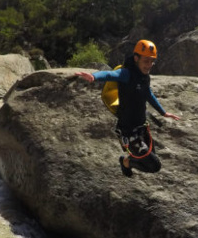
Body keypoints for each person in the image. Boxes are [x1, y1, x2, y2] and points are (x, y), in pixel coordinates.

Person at [75, 39, 181, 176]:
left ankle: (128, 161)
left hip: (141, 126)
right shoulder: (127, 74)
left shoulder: (144, 76)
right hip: (128, 131)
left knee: (150, 159)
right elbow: (110, 75)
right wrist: (94, 76)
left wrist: (163, 112)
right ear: (136, 58)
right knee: (154, 165)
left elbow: (148, 94)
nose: (149, 65)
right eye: (146, 61)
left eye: (152, 61)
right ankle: (125, 162)